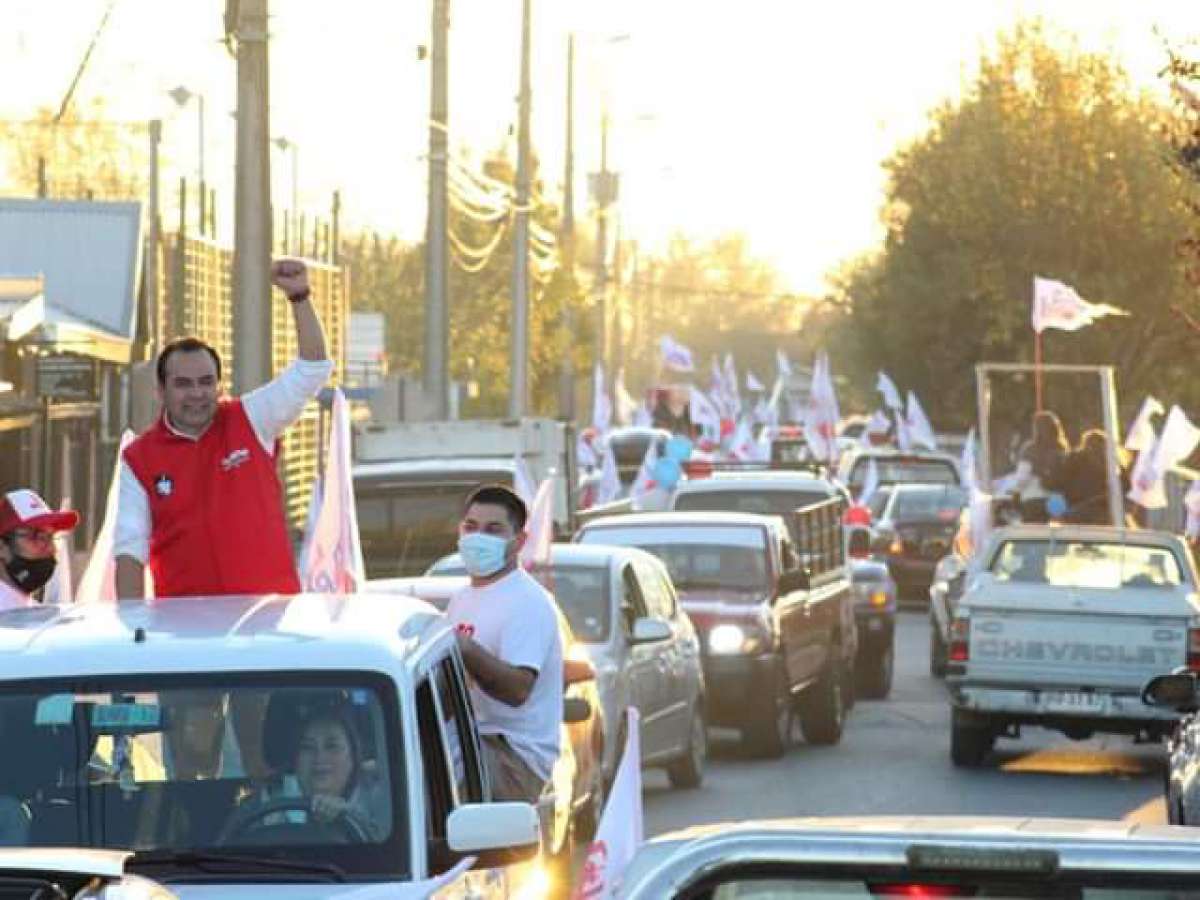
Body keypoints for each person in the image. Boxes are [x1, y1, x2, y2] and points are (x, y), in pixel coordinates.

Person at [114, 259, 333, 599]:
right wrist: (132, 635)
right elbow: (129, 548)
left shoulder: (252, 418)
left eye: (206, 382)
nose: (197, 394)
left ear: (219, 385)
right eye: (183, 384)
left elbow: (313, 369)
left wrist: (300, 296)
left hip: (268, 624)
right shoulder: (139, 458)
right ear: (160, 391)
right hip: (187, 636)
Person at [446, 485, 564, 804]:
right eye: (471, 527)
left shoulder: (529, 603)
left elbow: (517, 691)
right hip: (471, 741)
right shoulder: (462, 599)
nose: (478, 537)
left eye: (493, 530)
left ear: (519, 541)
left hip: (513, 758)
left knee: (423, 769)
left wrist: (468, 650)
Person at [0, 489, 80, 611]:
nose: (50, 547)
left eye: (51, 536)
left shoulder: (37, 613)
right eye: (35, 535)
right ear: (2, 547)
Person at [1014, 411, 1069, 522]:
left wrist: (1015, 493)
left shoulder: (1029, 449)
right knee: (1056, 535)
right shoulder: (1062, 449)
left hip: (1033, 499)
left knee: (1034, 535)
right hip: (1057, 501)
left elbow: (1022, 479)